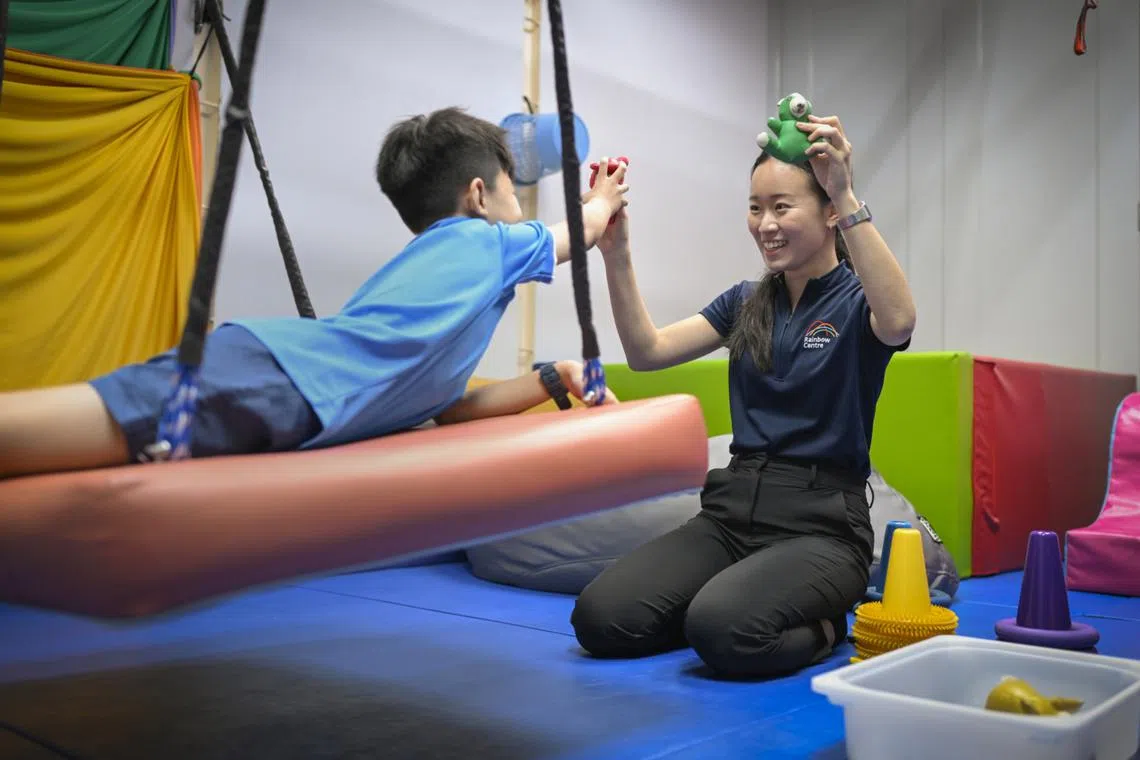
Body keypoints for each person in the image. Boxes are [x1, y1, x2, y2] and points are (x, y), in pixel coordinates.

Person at [0, 107, 629, 479]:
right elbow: (586, 231)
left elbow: (443, 409)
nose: (520, 210)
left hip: (284, 385)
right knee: (89, 424)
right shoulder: (487, 244)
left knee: (95, 437)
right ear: (477, 195)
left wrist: (555, 377)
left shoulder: (440, 281)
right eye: (513, 192)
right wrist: (601, 199)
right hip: (280, 378)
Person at [570, 113, 916, 678]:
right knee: (601, 620)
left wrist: (845, 189)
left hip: (822, 528)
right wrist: (617, 252)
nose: (765, 224)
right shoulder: (745, 302)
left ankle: (829, 624)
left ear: (829, 211)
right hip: (730, 518)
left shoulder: (858, 301)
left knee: (724, 629)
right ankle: (733, 599)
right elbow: (647, 351)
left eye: (782, 207)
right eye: (756, 208)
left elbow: (899, 320)